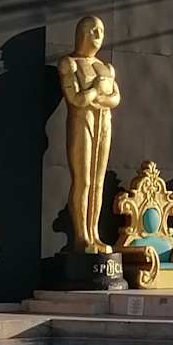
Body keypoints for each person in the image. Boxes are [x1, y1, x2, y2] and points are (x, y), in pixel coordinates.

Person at [57, 15, 120, 252]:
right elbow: (76, 99)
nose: (98, 35)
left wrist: (97, 97)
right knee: (83, 180)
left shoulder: (107, 67)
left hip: (103, 123)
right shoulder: (70, 63)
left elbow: (115, 98)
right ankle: (81, 236)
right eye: (92, 30)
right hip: (82, 122)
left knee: (98, 182)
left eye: (101, 30)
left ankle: (94, 233)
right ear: (81, 34)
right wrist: (96, 89)